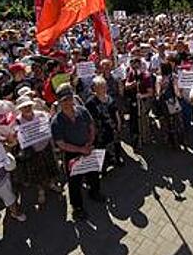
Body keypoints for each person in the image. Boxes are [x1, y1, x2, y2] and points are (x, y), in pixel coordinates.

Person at [51, 84, 105, 221]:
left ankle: (94, 192)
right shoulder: (56, 121)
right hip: (72, 154)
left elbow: (91, 126)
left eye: (70, 98)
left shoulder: (82, 110)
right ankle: (77, 207)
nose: (68, 102)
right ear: (59, 102)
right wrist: (81, 150)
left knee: (93, 173)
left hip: (88, 147)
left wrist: (90, 142)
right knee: (74, 182)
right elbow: (61, 144)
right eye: (64, 100)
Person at [14, 96, 61, 205]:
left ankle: (52, 184)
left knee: (51, 167)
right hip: (32, 151)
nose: (27, 108)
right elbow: (16, 137)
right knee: (36, 173)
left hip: (46, 147)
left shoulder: (42, 114)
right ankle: (41, 191)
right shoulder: (17, 121)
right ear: (20, 109)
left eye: (29, 106)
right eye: (24, 107)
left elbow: (51, 123)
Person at [85, 76, 124, 169]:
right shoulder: (90, 102)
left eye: (104, 86)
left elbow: (115, 112)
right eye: (100, 86)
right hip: (100, 129)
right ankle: (103, 165)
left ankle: (117, 158)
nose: (103, 88)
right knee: (101, 147)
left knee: (116, 143)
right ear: (94, 88)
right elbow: (89, 119)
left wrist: (118, 123)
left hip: (112, 126)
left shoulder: (109, 98)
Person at [156, 62, 184, 148]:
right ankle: (179, 139)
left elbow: (157, 93)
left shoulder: (159, 78)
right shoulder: (174, 77)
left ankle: (167, 138)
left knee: (166, 121)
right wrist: (180, 96)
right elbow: (176, 91)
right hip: (172, 102)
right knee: (177, 119)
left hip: (163, 102)